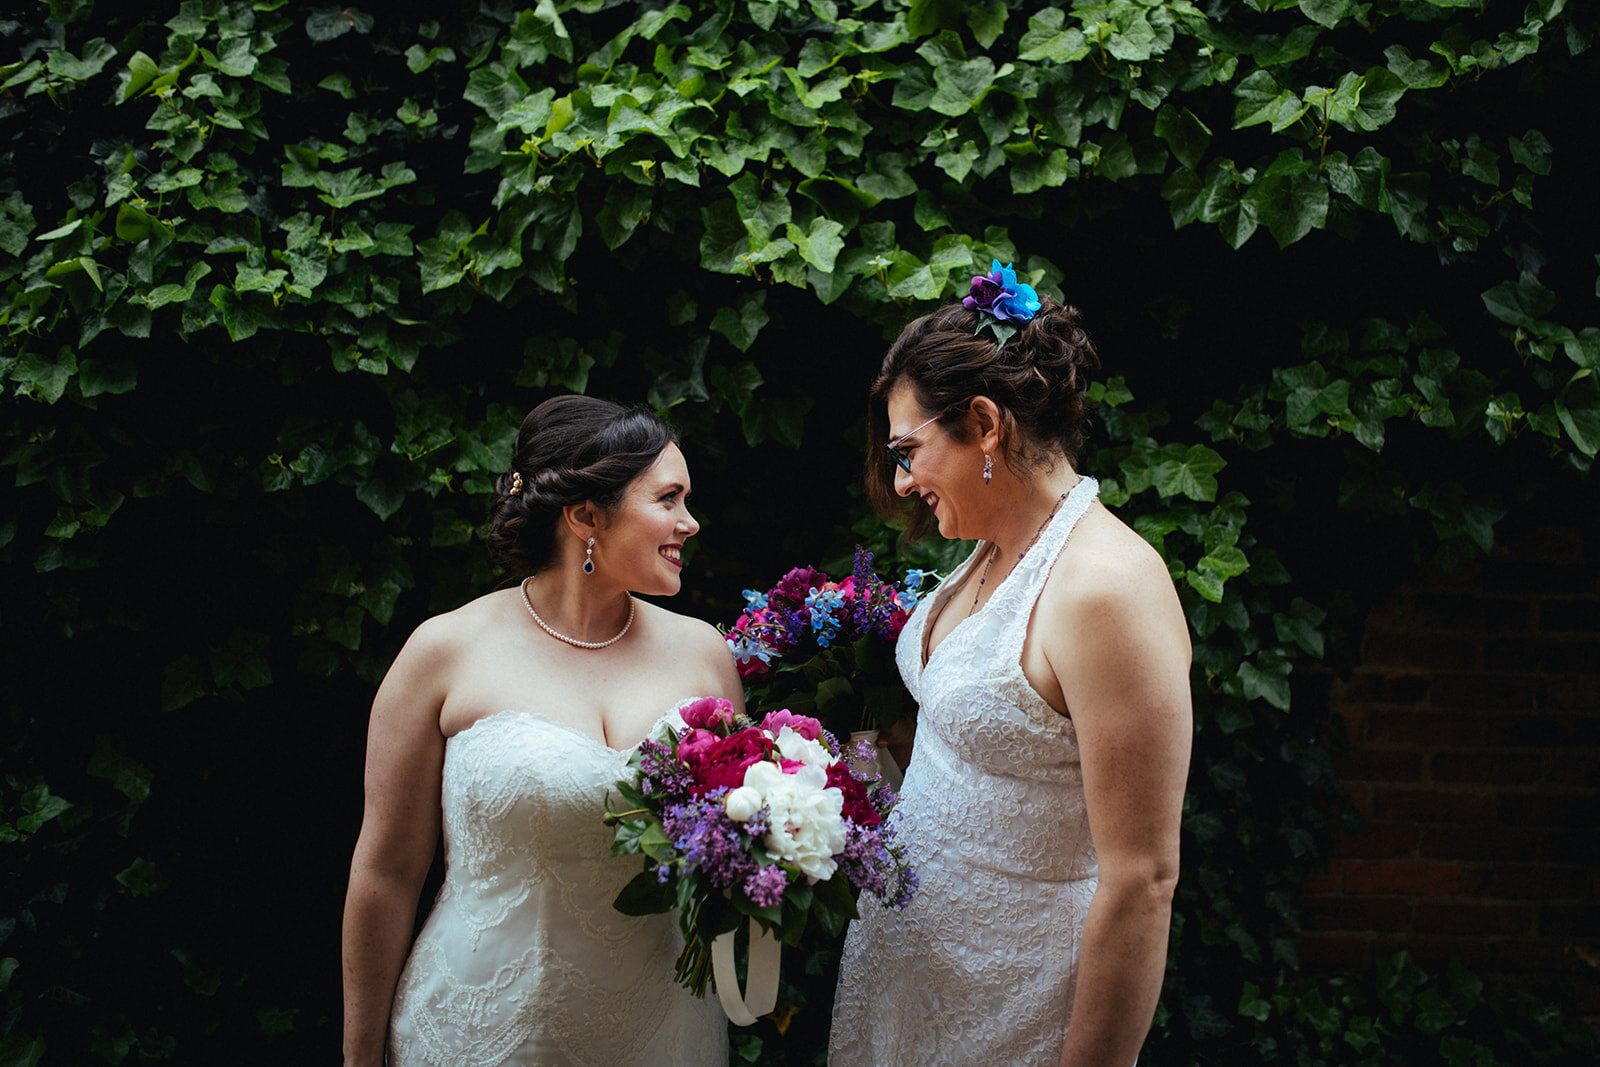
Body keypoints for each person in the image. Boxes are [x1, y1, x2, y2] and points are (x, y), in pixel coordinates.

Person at [829, 271, 1194, 1066]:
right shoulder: (991, 551)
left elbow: (1143, 878)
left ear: (985, 424)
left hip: (1012, 1006)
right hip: (907, 980)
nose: (900, 481)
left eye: (907, 451)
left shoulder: (1107, 588)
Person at [341, 395, 739, 1066]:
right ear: (586, 514)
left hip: (665, 1030)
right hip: (484, 1028)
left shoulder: (704, 655)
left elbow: (732, 849)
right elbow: (386, 871)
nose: (689, 523)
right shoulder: (446, 651)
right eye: (668, 499)